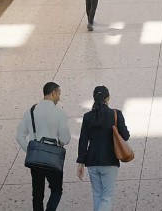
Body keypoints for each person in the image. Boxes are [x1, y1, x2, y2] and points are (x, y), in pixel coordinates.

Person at [18, 81, 72, 211]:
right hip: (53, 160)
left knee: (37, 194)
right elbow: (65, 139)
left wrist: (31, 151)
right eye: (59, 94)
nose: (59, 98)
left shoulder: (30, 112)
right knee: (56, 191)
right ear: (53, 93)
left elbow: (19, 136)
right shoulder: (60, 113)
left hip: (35, 160)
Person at [77, 86, 129, 211]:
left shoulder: (87, 116)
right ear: (108, 98)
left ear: (94, 98)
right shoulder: (115, 114)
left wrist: (80, 162)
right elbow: (125, 136)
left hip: (92, 161)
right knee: (106, 197)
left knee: (97, 195)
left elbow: (83, 140)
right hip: (109, 161)